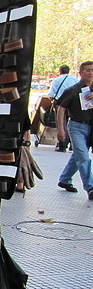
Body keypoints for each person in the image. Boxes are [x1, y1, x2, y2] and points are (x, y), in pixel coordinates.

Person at [56, 61, 93, 200]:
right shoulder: (73, 90)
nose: (90, 73)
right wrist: (61, 128)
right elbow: (61, 109)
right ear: (81, 73)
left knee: (78, 155)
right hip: (76, 126)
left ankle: (65, 179)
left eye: (92, 70)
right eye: (87, 70)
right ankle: (90, 187)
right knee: (83, 156)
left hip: (91, 126)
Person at [48, 65, 79, 152]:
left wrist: (53, 102)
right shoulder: (75, 79)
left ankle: (62, 144)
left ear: (60, 71)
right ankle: (73, 144)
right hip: (73, 104)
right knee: (72, 122)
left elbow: (51, 95)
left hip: (60, 103)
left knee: (61, 123)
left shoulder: (56, 80)